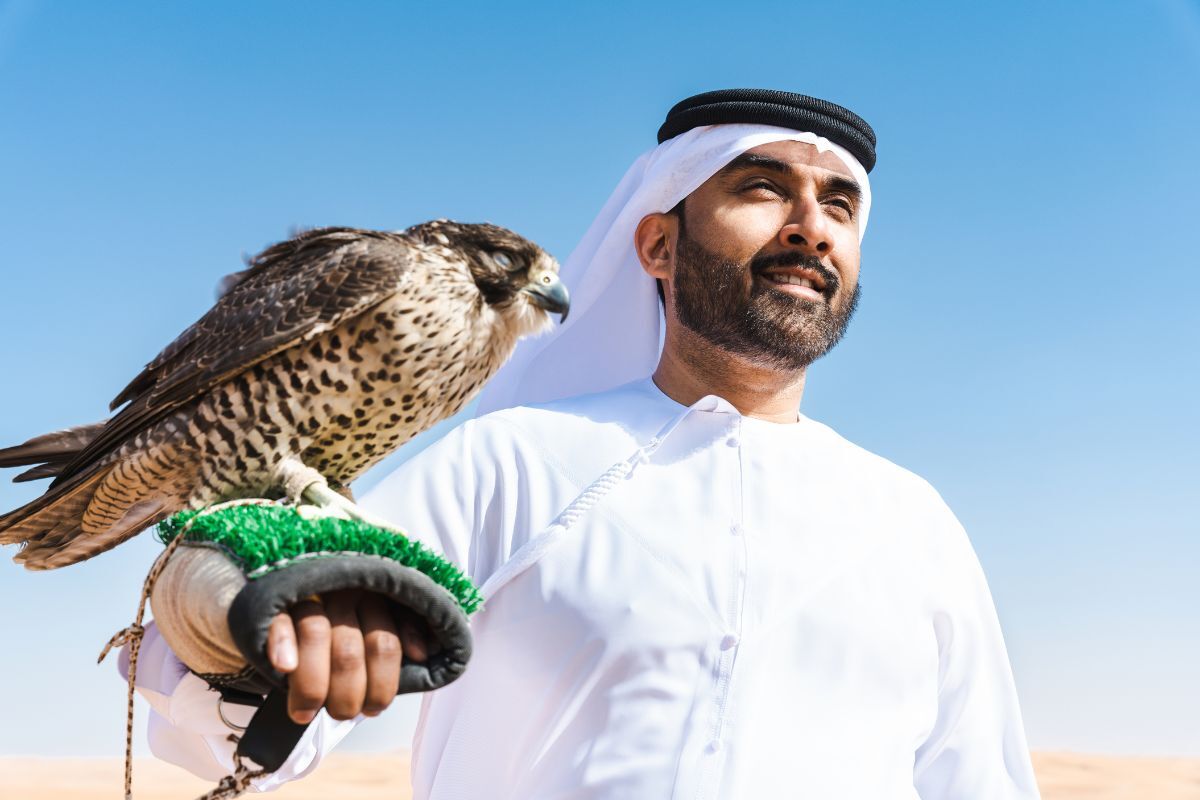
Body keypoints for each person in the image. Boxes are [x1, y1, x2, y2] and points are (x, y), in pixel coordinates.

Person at [121, 89, 1042, 798]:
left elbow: (979, 778)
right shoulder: (511, 464)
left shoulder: (913, 523)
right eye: (762, 188)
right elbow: (232, 715)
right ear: (656, 246)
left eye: (840, 205)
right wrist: (238, 620)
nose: (811, 224)